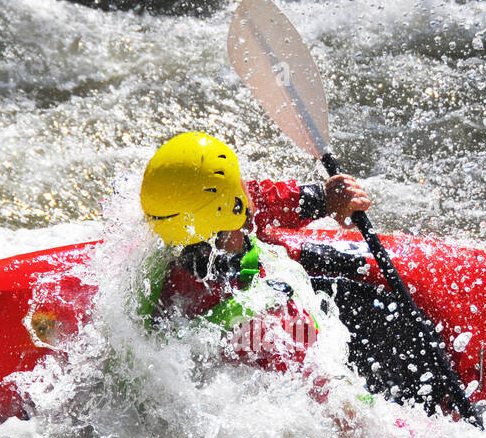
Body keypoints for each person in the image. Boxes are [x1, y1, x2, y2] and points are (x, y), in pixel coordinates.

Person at [136, 131, 370, 371]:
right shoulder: (272, 323)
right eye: (240, 183)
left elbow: (256, 201)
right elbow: (329, 395)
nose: (248, 186)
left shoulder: (160, 252)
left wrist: (321, 199)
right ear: (235, 205)